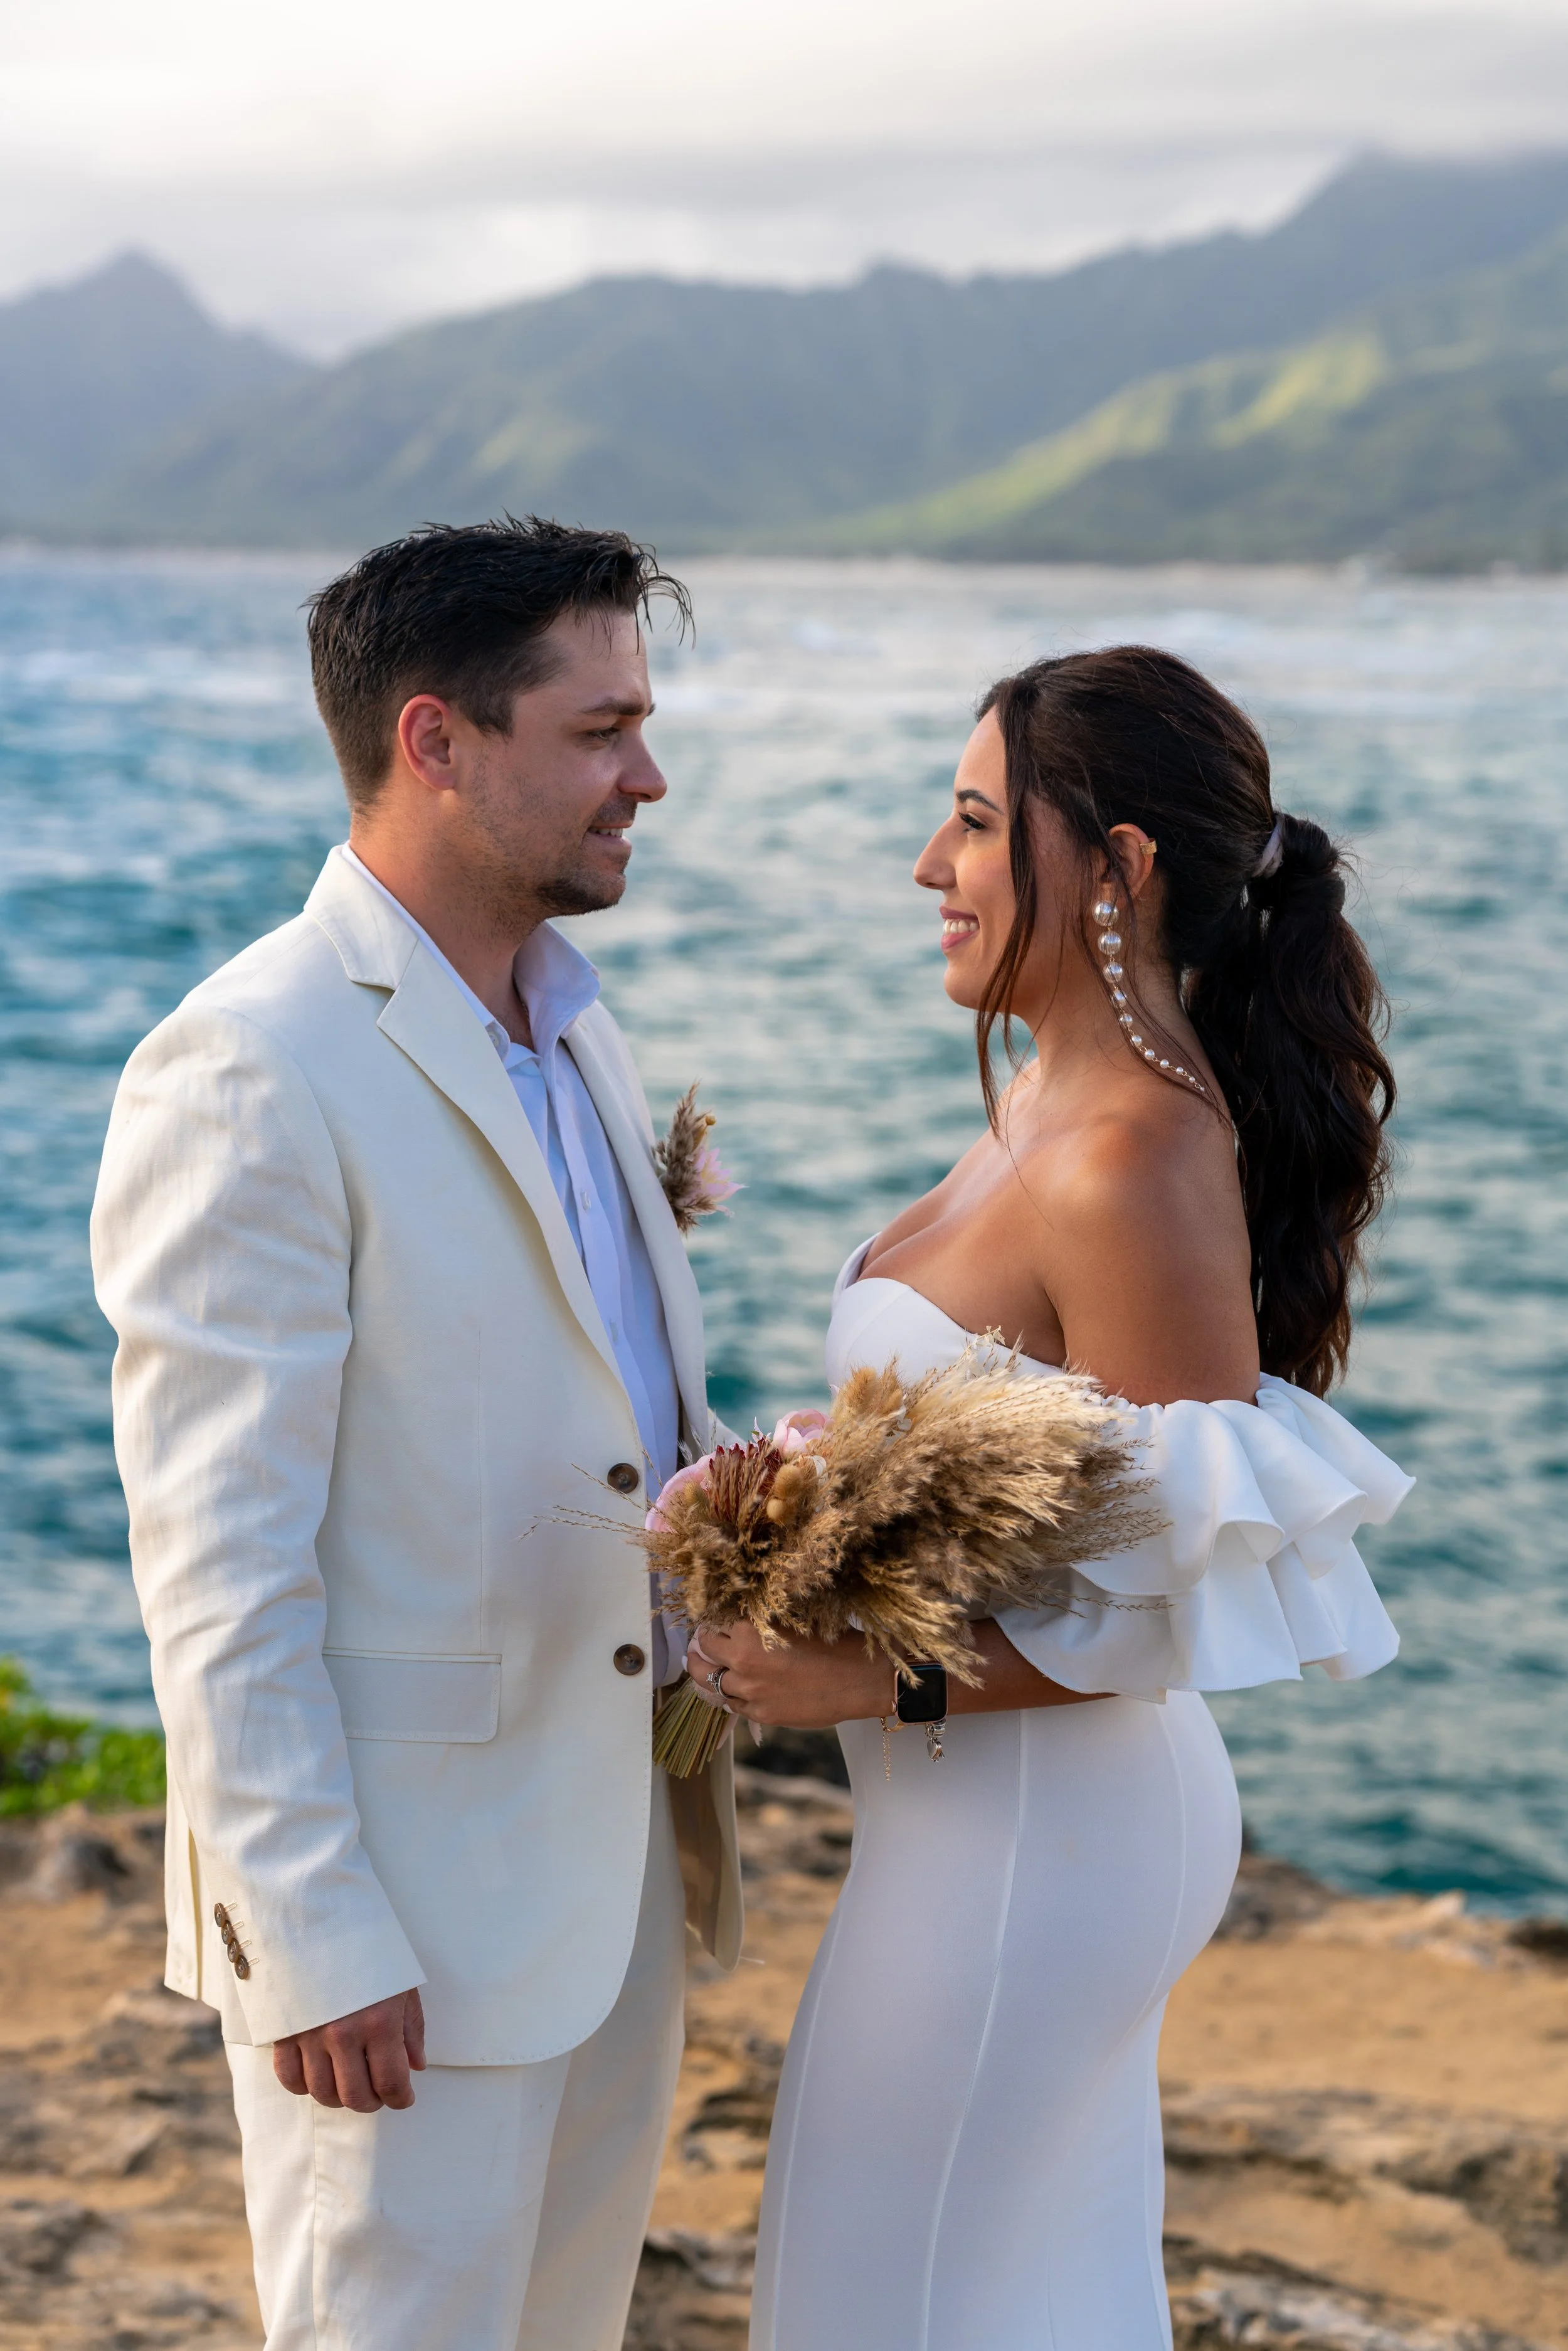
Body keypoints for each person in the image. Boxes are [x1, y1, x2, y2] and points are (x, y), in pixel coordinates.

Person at [690, 647, 1411, 2350]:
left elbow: (1175, 1603)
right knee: (976, 2287)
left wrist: (872, 1675)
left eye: (968, 823)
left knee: (891, 2299)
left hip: (1044, 1827)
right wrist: (836, 1479)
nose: (926, 870)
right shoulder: (1043, 1094)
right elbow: (1051, 1459)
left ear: (1118, 864)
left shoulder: (1128, 1154)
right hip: (977, 1817)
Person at [90, 517, 741, 2351]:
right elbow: (217, 1557)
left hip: (600, 1875)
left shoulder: (576, 1032)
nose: (649, 771)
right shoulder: (251, 1063)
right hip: (401, 1926)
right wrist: (307, 1931)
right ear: (437, 741)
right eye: (602, 726)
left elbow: (595, 1426)